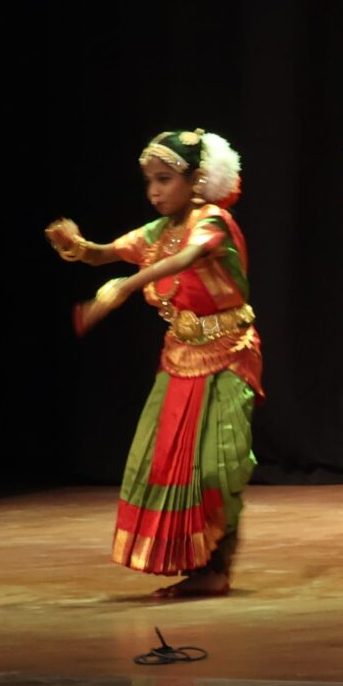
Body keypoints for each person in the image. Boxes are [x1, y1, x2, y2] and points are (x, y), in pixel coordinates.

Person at [45, 129, 261, 598]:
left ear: (197, 180)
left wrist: (126, 286)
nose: (154, 191)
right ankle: (201, 567)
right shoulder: (158, 233)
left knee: (217, 465)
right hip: (180, 355)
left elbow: (186, 258)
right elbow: (106, 253)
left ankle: (218, 565)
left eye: (164, 179)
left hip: (229, 351)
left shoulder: (213, 220)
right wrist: (78, 245)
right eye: (149, 181)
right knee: (170, 464)